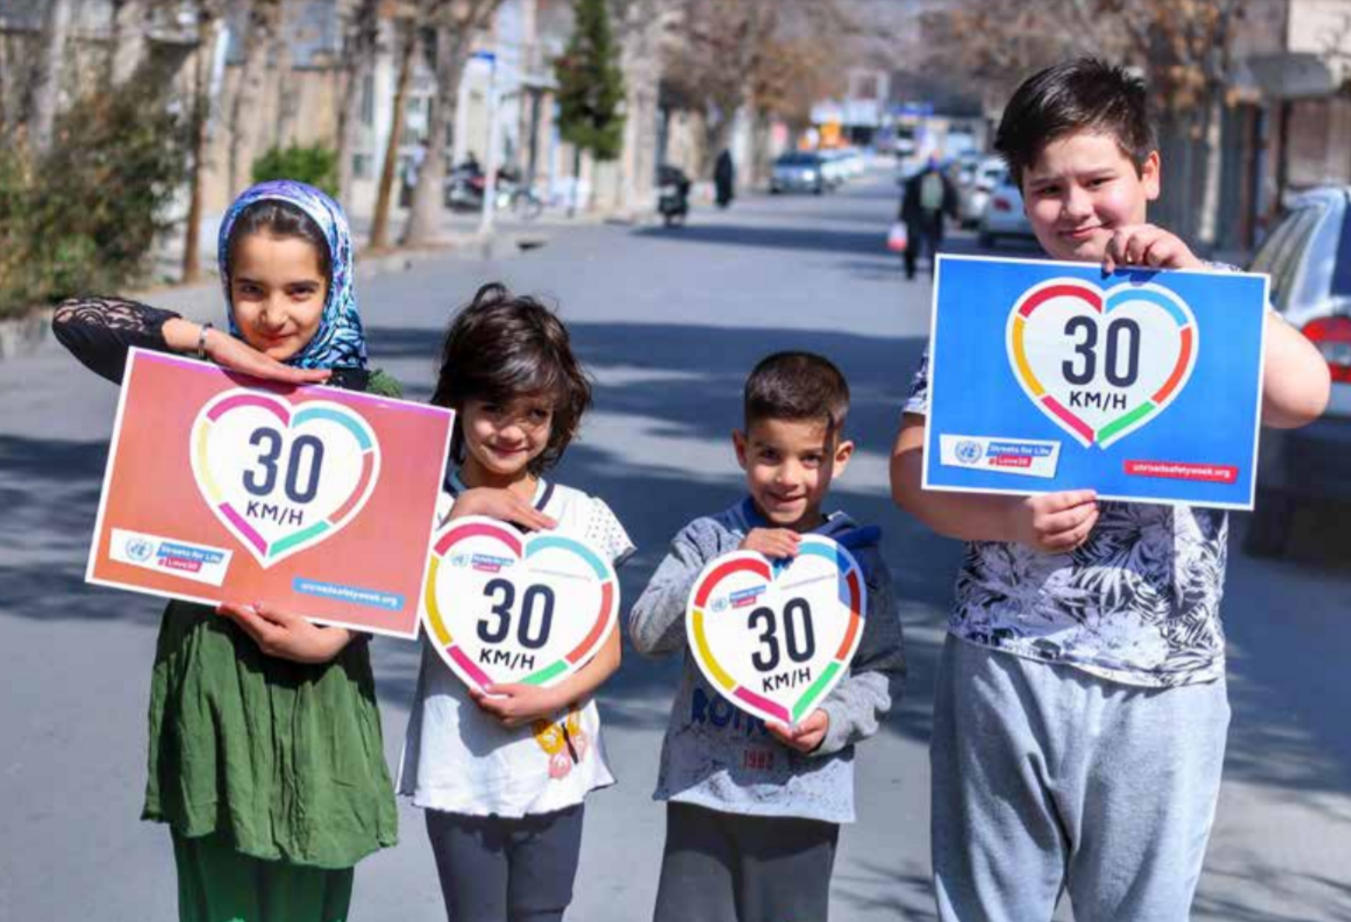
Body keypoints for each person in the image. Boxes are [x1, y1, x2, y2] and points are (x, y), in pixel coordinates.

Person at [889, 59, 1331, 922]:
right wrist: (1010, 517)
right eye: (1047, 188)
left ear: (1148, 174)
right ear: (1019, 194)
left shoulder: (1212, 296)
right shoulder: (997, 305)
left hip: (1167, 688)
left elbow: (1302, 395)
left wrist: (1196, 275)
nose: (1077, 207)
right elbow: (913, 474)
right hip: (1007, 666)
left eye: (1098, 181)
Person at [51, 180, 400, 922]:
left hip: (320, 699)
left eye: (301, 290)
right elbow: (74, 318)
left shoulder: (377, 399)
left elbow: (403, 563)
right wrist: (212, 343)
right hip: (211, 681)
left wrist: (334, 634)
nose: (274, 315)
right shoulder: (195, 383)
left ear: (336, 281)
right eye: (250, 289)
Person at [629, 351, 906, 922]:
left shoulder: (854, 560)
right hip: (704, 791)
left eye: (810, 458)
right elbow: (646, 632)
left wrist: (832, 722)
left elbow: (882, 670)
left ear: (841, 457)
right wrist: (726, 566)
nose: (788, 477)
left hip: (804, 800)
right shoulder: (709, 540)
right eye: (769, 455)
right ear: (741, 449)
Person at [398, 283, 633, 922]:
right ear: (456, 403)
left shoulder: (581, 518)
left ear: (561, 417)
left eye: (534, 414)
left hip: (556, 765)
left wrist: (552, 697)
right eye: (493, 408)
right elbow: (394, 606)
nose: (511, 431)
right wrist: (458, 520)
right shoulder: (423, 509)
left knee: (542, 914)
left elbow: (607, 647)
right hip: (458, 768)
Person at [898, 153, 957, 281]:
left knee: (935, 249)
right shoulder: (917, 179)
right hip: (916, 217)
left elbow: (951, 199)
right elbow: (908, 199)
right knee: (912, 247)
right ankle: (910, 271)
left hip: (935, 218)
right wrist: (903, 217)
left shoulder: (943, 181)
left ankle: (934, 275)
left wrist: (954, 215)